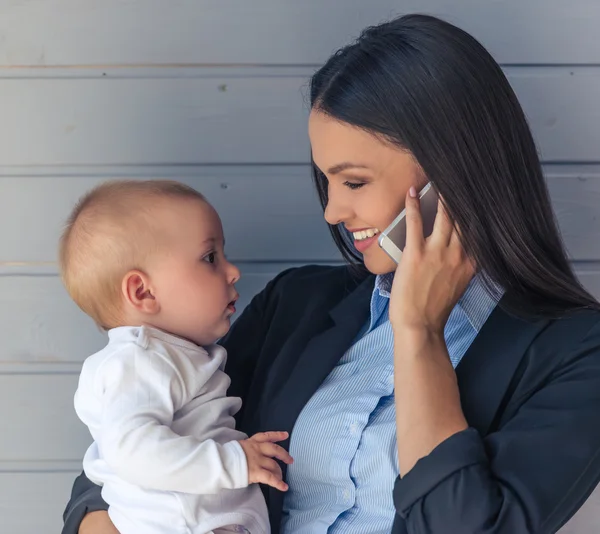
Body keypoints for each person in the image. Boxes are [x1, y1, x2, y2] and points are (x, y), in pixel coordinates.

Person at [62, 14, 600, 534]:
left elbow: (464, 525)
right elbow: (121, 453)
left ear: (452, 176)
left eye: (356, 183)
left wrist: (418, 333)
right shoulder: (293, 307)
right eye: (328, 181)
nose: (332, 212)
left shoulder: (578, 354)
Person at [59, 180, 293, 534]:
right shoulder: (140, 362)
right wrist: (234, 461)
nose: (233, 271)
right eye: (210, 258)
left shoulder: (170, 355)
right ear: (143, 291)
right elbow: (131, 450)